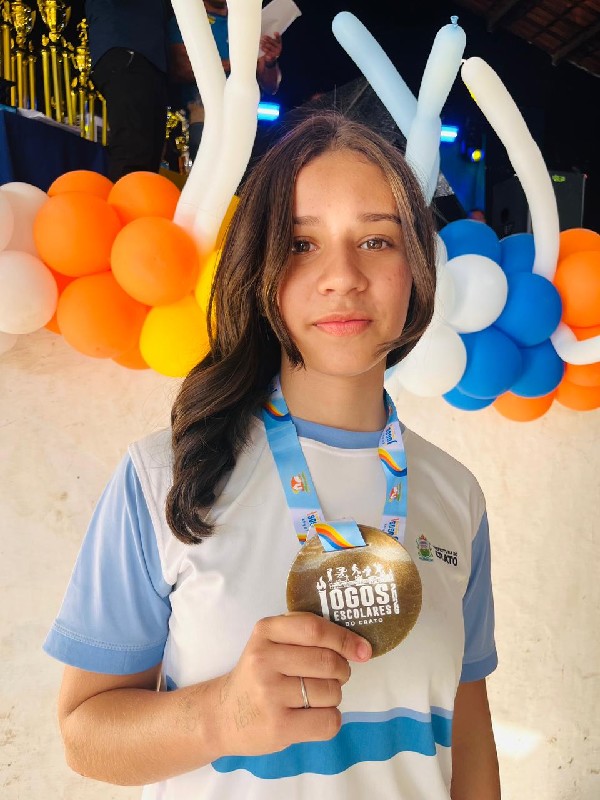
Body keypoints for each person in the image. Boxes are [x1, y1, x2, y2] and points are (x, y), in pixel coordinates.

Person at [44, 112, 500, 799]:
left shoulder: (456, 494)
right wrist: (221, 715)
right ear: (260, 266)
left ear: (416, 269)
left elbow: (469, 737)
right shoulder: (164, 477)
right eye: (301, 243)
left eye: (376, 240)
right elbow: (85, 736)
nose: (342, 276)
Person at [168, 0, 282, 161]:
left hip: (244, 120)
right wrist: (239, 62)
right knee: (210, 170)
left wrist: (270, 60)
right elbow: (182, 69)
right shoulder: (188, 20)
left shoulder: (247, 25)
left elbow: (271, 87)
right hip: (203, 116)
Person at [85, 0, 170, 181]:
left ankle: (139, 197)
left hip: (152, 61)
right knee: (133, 149)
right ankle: (126, 198)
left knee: (151, 158)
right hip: (125, 50)